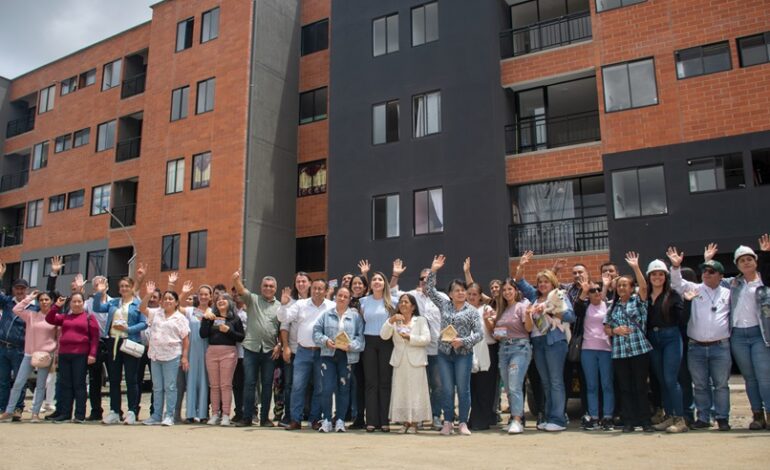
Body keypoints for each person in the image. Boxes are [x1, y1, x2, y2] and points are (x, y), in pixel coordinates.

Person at [667, 247, 732, 431]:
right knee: (701, 385)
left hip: (720, 347)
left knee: (720, 385)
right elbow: (677, 283)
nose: (706, 274)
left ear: (720, 276)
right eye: (704, 271)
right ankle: (703, 417)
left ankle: (722, 417)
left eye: (711, 272)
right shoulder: (694, 289)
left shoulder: (728, 294)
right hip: (696, 347)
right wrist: (675, 266)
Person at [709, 236, 770, 430]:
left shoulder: (764, 281)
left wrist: (766, 254)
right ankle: (757, 415)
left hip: (759, 334)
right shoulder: (733, 283)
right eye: (742, 260)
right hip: (738, 336)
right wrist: (709, 259)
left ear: (756, 261)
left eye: (749, 259)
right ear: (737, 264)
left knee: (764, 376)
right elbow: (712, 279)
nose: (746, 262)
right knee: (749, 378)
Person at [514, 252, 575, 432]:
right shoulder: (533, 296)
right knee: (545, 382)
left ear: (552, 283)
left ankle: (558, 419)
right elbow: (519, 281)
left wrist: (550, 311)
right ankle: (548, 416)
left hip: (555, 341)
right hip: (538, 342)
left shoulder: (560, 295)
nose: (542, 285)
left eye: (545, 282)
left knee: (556, 381)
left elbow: (571, 316)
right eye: (540, 282)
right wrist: (522, 265)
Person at [425, 255, 482, 436]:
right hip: (443, 353)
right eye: (456, 290)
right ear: (449, 294)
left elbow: (479, 334)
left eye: (462, 290)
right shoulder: (444, 304)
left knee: (463, 389)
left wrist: (463, 341)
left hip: (463, 354)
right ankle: (448, 421)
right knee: (446, 389)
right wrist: (434, 270)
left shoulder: (472, 311)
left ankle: (463, 422)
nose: (460, 293)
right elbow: (429, 289)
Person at [389, 261, 445, 430]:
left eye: (428, 278)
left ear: (434, 280)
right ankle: (415, 418)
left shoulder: (442, 298)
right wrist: (396, 274)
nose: (425, 281)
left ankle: (435, 416)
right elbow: (392, 293)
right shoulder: (411, 296)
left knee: (437, 386)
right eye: (422, 279)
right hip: (412, 351)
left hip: (435, 349)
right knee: (414, 387)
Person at [604, 252, 653, 433]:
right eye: (619, 286)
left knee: (641, 387)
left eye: (625, 285)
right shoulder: (612, 307)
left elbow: (644, 288)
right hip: (620, 353)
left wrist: (635, 267)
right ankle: (629, 421)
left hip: (639, 350)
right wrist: (614, 330)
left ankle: (645, 420)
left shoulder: (637, 302)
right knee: (625, 388)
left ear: (631, 288)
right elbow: (606, 328)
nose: (622, 288)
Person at [279, 278, 335, 430]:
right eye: (314, 288)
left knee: (320, 387)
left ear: (325, 290)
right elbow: (283, 318)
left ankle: (315, 419)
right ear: (311, 289)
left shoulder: (331, 306)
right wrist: (283, 305)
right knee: (298, 387)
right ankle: (295, 420)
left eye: (320, 289)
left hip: (323, 352)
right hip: (302, 351)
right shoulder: (300, 304)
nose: (317, 291)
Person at [93, 276, 147, 425]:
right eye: (121, 286)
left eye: (126, 286)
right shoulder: (113, 303)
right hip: (113, 343)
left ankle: (131, 411)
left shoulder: (138, 304)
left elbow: (144, 323)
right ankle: (115, 411)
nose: (124, 289)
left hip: (130, 342)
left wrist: (128, 329)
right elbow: (97, 308)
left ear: (131, 288)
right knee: (114, 379)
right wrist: (99, 293)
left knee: (131, 379)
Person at [0, 290, 58, 422]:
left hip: (45, 355)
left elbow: (58, 337)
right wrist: (29, 298)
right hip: (29, 354)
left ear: (51, 301)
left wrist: (54, 353)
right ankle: (9, 411)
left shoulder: (55, 317)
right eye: (41, 299)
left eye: (46, 299)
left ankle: (35, 414)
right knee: (18, 382)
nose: (44, 302)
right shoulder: (31, 315)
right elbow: (16, 309)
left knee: (41, 385)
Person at [233, 271, 281, 427]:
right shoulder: (253, 299)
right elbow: (241, 291)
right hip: (251, 349)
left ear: (275, 288)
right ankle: (247, 417)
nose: (268, 288)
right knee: (249, 383)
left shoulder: (280, 306)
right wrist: (236, 280)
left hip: (269, 351)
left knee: (267, 385)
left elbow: (283, 329)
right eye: (265, 286)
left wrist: (279, 345)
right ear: (261, 287)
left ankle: (265, 418)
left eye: (271, 286)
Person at [644, 259, 688, 433]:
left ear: (665, 276)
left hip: (671, 337)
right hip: (653, 339)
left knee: (671, 379)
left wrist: (689, 303)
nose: (657, 277)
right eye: (654, 274)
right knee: (661, 380)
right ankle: (669, 415)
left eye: (660, 274)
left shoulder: (673, 295)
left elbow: (683, 320)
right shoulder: (645, 296)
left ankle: (680, 419)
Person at [313, 286, 364, 432]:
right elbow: (316, 332)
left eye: (345, 296)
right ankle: (327, 420)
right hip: (328, 355)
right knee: (327, 388)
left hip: (346, 357)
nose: (342, 298)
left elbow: (360, 338)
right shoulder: (326, 315)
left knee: (344, 388)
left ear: (349, 300)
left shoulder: (355, 317)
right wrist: (325, 341)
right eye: (340, 295)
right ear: (335, 297)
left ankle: (340, 420)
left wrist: (351, 346)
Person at [140, 283, 191, 426]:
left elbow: (185, 339)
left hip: (172, 356)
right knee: (157, 387)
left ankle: (169, 415)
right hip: (155, 355)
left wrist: (185, 357)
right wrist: (148, 294)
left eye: (171, 299)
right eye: (165, 298)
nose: (168, 301)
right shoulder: (156, 313)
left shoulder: (180, 318)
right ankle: (156, 416)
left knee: (170, 386)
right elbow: (142, 308)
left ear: (176, 303)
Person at [380, 293, 431, 434]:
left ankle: (414, 423)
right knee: (401, 390)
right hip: (400, 361)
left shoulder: (420, 320)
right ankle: (404, 422)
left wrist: (410, 337)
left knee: (416, 392)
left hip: (416, 361)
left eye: (406, 302)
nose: (403, 304)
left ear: (413, 306)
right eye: (401, 302)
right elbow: (384, 335)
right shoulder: (395, 320)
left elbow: (426, 339)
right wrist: (391, 320)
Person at [45, 293, 99, 422]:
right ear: (70, 304)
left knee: (79, 385)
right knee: (66, 385)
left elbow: (95, 339)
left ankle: (79, 415)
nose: (76, 304)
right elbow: (49, 319)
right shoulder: (65, 317)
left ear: (83, 303)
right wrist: (56, 306)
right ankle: (65, 413)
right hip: (64, 355)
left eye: (79, 301)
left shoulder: (89, 318)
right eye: (74, 302)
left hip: (80, 355)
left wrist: (92, 354)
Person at [359, 270, 400, 432]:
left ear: (385, 284)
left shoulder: (393, 301)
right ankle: (371, 421)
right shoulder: (363, 301)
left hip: (386, 343)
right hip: (369, 342)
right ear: (370, 284)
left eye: (380, 280)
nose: (377, 282)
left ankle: (384, 421)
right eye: (374, 280)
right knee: (370, 383)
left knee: (385, 382)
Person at [493, 278, 532, 434]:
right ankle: (514, 417)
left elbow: (528, 328)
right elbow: (498, 332)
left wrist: (528, 315)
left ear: (516, 291)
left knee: (515, 384)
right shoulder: (501, 309)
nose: (507, 292)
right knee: (508, 387)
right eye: (505, 290)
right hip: (504, 349)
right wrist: (497, 333)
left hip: (520, 348)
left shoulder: (522, 307)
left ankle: (517, 420)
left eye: (510, 289)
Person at [574, 276, 614, 431]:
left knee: (607, 384)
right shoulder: (585, 307)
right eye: (593, 290)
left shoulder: (608, 305)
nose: (596, 292)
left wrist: (605, 285)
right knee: (591, 385)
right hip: (588, 349)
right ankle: (594, 417)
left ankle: (608, 416)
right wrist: (583, 292)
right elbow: (576, 309)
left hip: (606, 349)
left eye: (598, 289)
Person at [201, 293, 245, 426]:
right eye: (218, 300)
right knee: (214, 386)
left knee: (226, 385)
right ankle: (215, 414)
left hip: (229, 353)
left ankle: (226, 415)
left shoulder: (235, 319)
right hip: (212, 352)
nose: (221, 301)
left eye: (223, 299)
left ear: (229, 302)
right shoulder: (211, 317)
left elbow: (241, 337)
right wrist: (205, 320)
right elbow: (203, 334)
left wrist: (228, 331)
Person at [277, 272, 311, 427]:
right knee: (291, 384)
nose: (301, 284)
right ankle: (289, 415)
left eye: (304, 281)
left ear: (309, 283)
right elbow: (284, 327)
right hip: (294, 350)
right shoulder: (290, 302)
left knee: (311, 384)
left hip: (311, 350)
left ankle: (309, 414)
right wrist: (285, 347)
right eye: (298, 281)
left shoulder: (316, 301)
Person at [0, 267, 32, 420]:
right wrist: (0, 276)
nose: (19, 291)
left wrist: (52, 275)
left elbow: (50, 300)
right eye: (17, 288)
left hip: (20, 348)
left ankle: (18, 408)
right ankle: (3, 408)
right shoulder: (7, 302)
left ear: (27, 290)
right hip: (3, 347)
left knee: (21, 380)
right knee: (3, 380)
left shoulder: (32, 306)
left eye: (22, 288)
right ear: (13, 290)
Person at [176, 284, 210, 423]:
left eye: (206, 294)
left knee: (204, 382)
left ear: (210, 296)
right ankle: (190, 413)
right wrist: (183, 292)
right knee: (191, 381)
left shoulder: (213, 311)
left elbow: (220, 323)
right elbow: (176, 306)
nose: (203, 297)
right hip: (191, 351)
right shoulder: (191, 311)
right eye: (201, 294)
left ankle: (202, 414)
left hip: (207, 351)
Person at [467, 282, 498, 431]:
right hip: (469, 351)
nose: (472, 297)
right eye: (470, 294)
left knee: (485, 386)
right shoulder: (463, 310)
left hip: (487, 349)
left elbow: (494, 331)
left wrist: (487, 319)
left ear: (480, 296)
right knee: (472, 386)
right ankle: (473, 417)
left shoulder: (487, 309)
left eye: (475, 294)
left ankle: (484, 419)